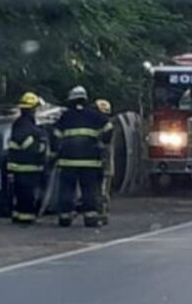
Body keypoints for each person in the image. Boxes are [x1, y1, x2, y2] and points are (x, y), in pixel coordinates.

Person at [52, 86, 114, 227]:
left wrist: (56, 151)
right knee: (89, 190)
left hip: (67, 162)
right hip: (90, 162)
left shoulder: (65, 116)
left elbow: (55, 134)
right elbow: (109, 128)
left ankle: (65, 218)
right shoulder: (94, 115)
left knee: (67, 189)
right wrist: (103, 142)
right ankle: (90, 217)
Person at [7, 92, 50, 224]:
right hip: (27, 167)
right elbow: (29, 146)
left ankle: (18, 215)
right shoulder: (28, 127)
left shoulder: (19, 124)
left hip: (18, 166)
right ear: (32, 109)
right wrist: (41, 144)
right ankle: (26, 218)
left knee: (20, 194)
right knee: (27, 195)